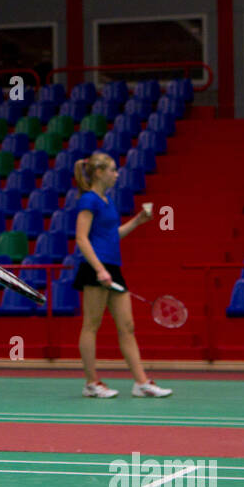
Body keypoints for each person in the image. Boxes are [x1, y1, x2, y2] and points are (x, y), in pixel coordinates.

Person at [71, 152, 172, 399]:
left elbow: (112, 236)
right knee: (91, 325)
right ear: (98, 173)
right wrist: (99, 269)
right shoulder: (89, 200)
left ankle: (141, 383)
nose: (117, 174)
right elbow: (81, 238)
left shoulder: (107, 201)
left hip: (112, 266)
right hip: (96, 267)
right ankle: (91, 383)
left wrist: (137, 221)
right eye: (113, 170)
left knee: (127, 326)